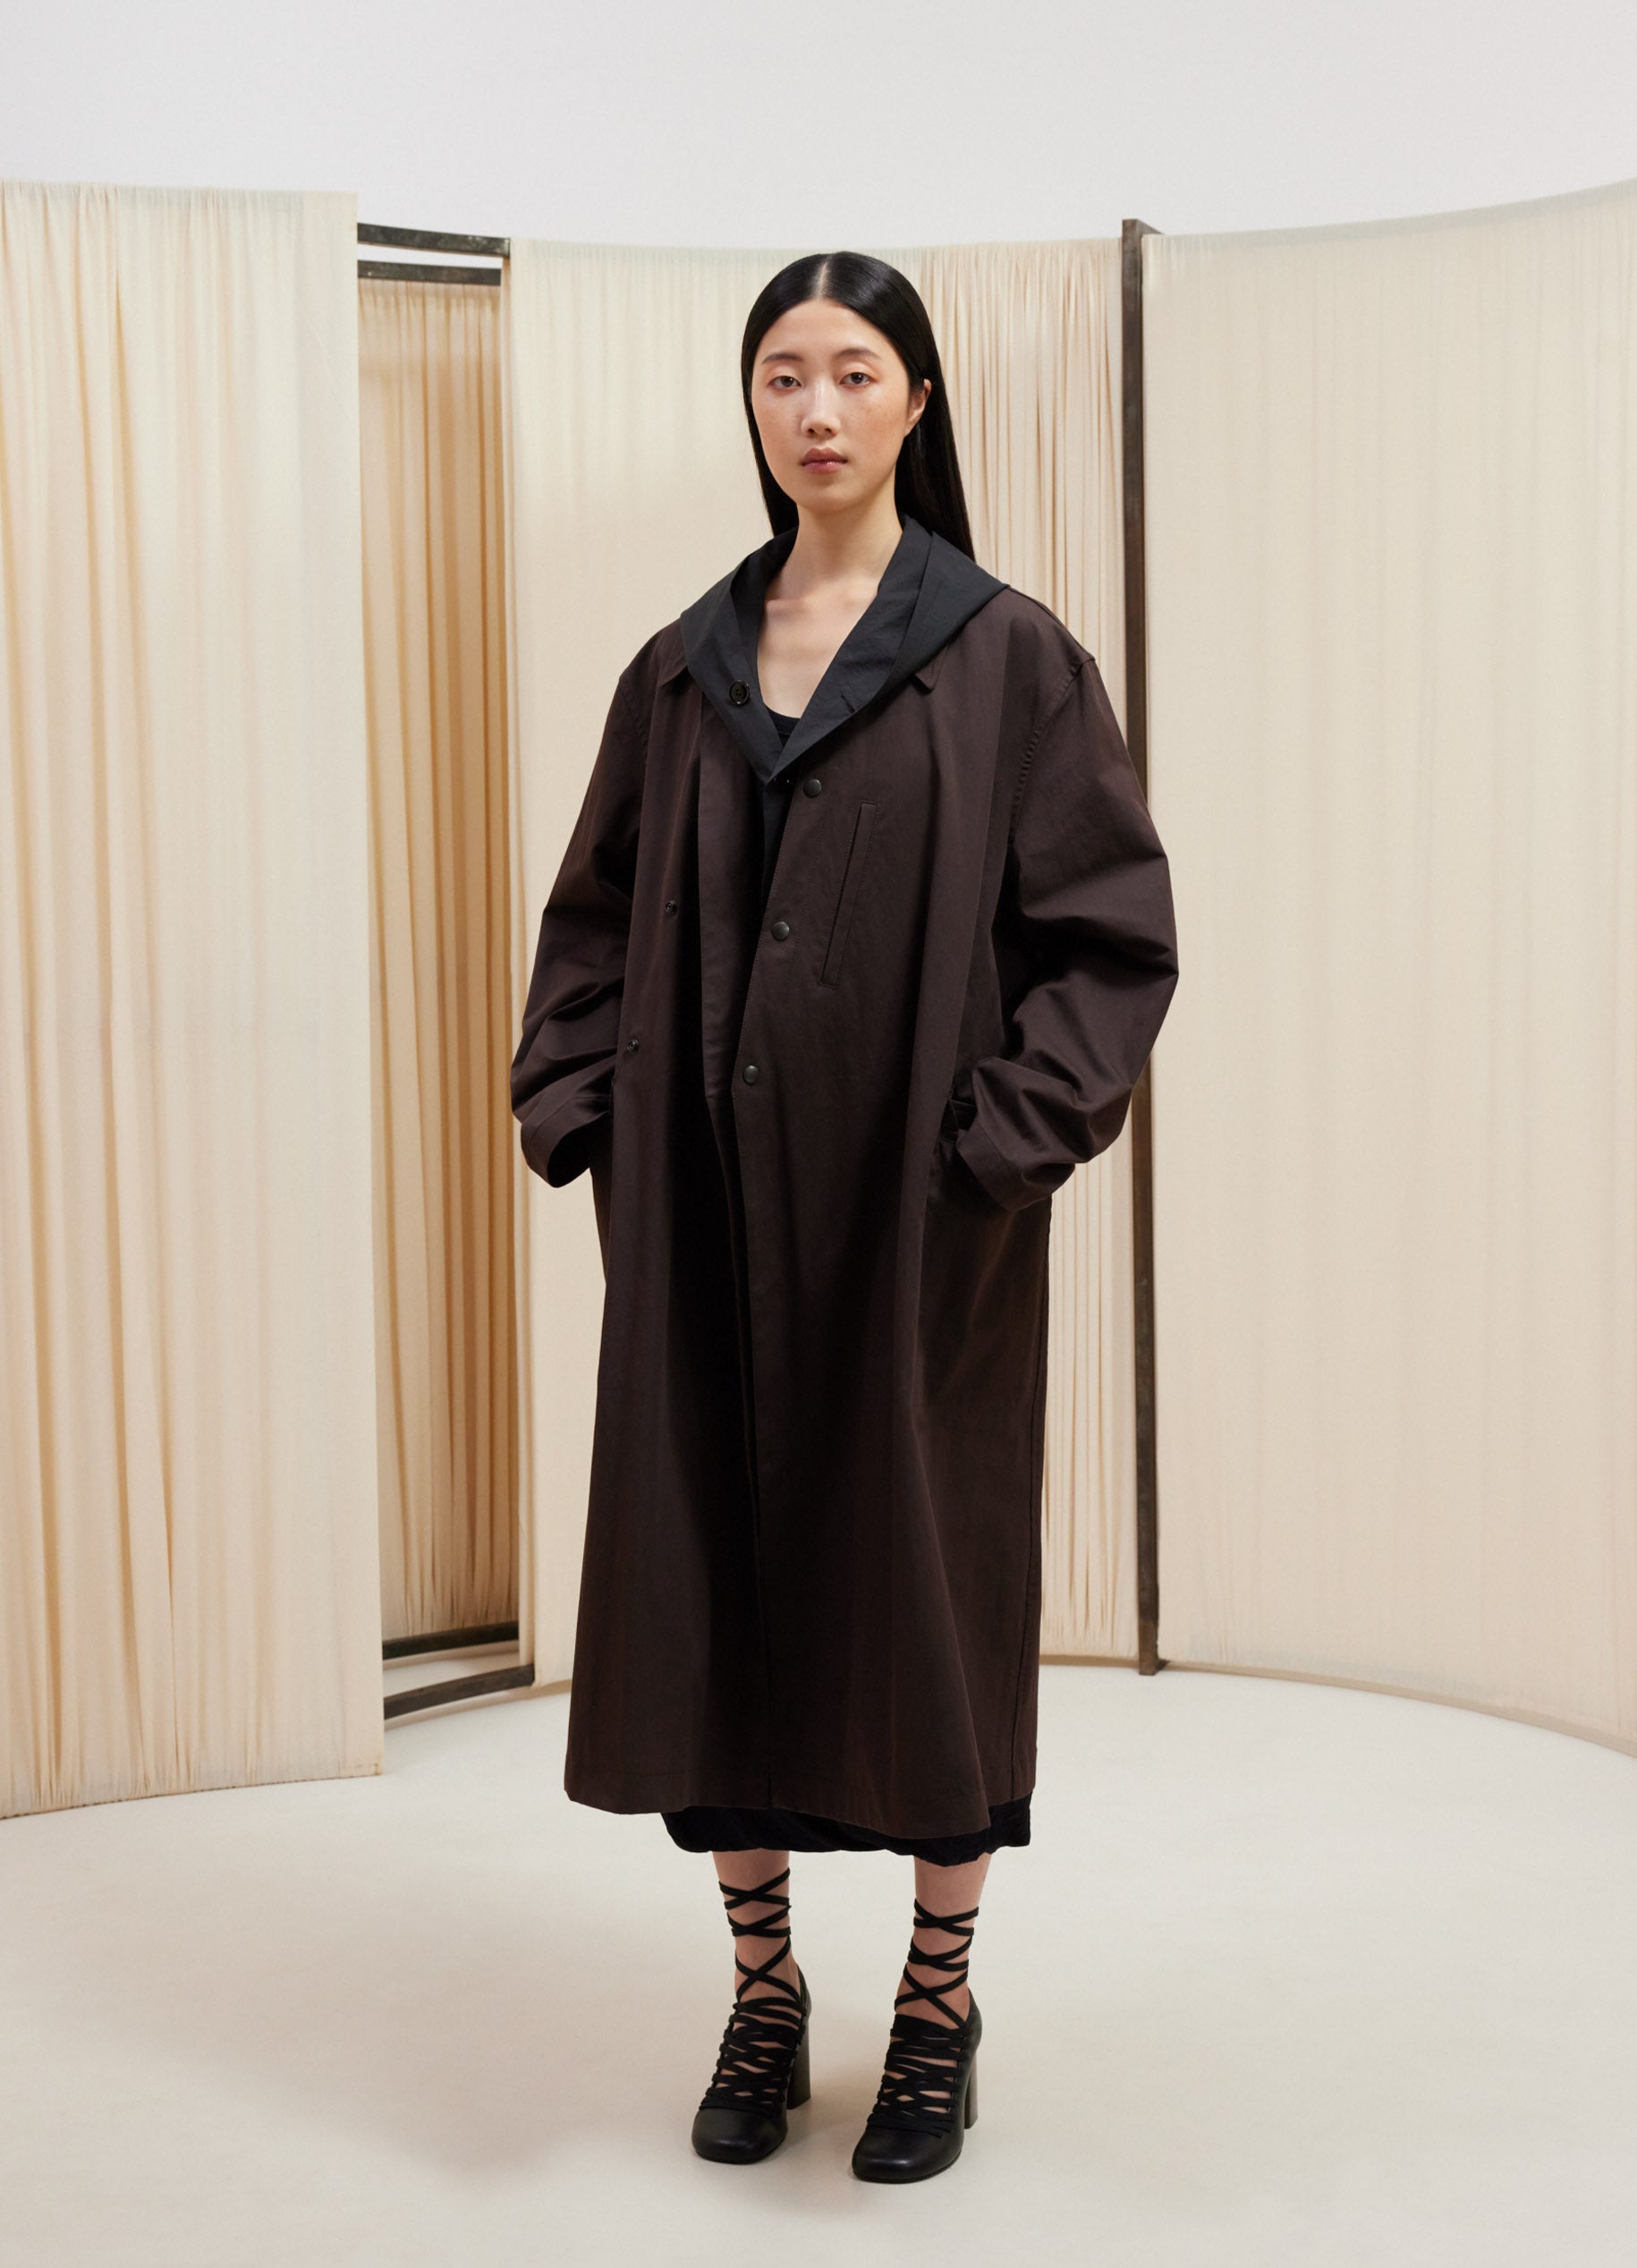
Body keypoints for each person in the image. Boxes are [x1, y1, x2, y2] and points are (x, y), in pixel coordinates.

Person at [511, 250, 1180, 2182]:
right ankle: (764, 1986)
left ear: (916, 402)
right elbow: (588, 919)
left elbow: (1110, 943)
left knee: (925, 1598)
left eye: (855, 371)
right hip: (701, 1229)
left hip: (915, 1237)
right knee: (710, 1589)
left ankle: (939, 2003)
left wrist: (995, 1149)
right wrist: (586, 1110)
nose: (816, 407)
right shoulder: (682, 668)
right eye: (783, 374)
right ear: (752, 406)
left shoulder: (1010, 659)